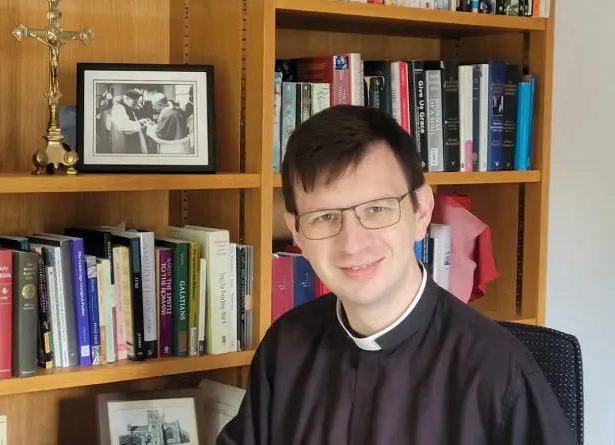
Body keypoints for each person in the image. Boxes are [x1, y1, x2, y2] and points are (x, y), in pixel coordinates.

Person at [216, 105, 577, 445]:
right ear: (297, 232)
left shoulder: (500, 374)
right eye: (325, 217)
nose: (352, 244)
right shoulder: (287, 345)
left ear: (422, 211)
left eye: (376, 209)